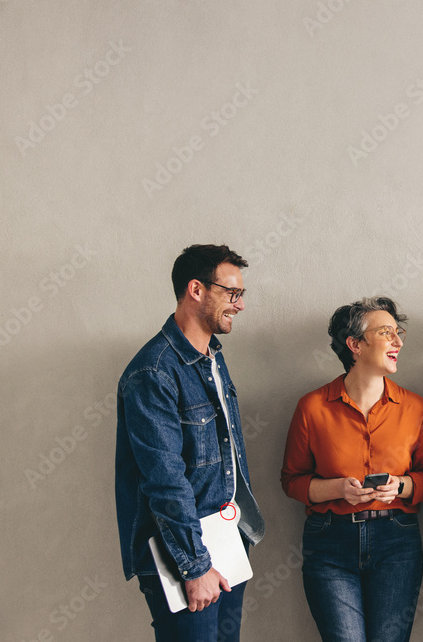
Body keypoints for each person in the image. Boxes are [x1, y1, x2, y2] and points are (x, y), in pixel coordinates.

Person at [115, 244, 265, 641]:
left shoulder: (212, 356)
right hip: (184, 553)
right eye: (231, 293)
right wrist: (195, 566)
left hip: (226, 540)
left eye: (241, 295)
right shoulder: (154, 371)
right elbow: (164, 480)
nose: (240, 305)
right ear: (196, 290)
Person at [281, 296, 423, 642]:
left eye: (399, 333)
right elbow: (291, 481)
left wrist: (400, 486)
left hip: (397, 541)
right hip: (329, 542)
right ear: (354, 345)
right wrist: (338, 489)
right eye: (386, 333)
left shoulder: (415, 408)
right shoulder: (311, 407)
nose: (398, 342)